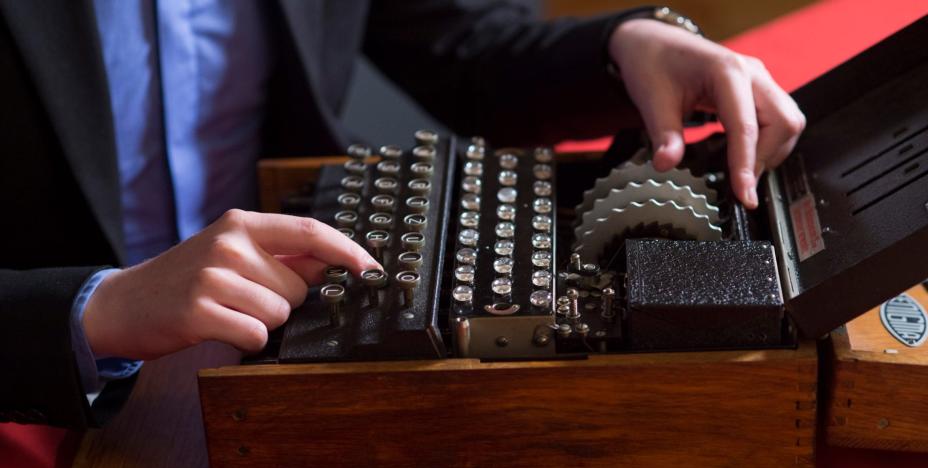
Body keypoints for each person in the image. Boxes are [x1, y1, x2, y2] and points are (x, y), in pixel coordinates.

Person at [0, 1, 804, 428]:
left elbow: (460, 42)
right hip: (49, 389)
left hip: (299, 289)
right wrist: (89, 308)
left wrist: (623, 44)